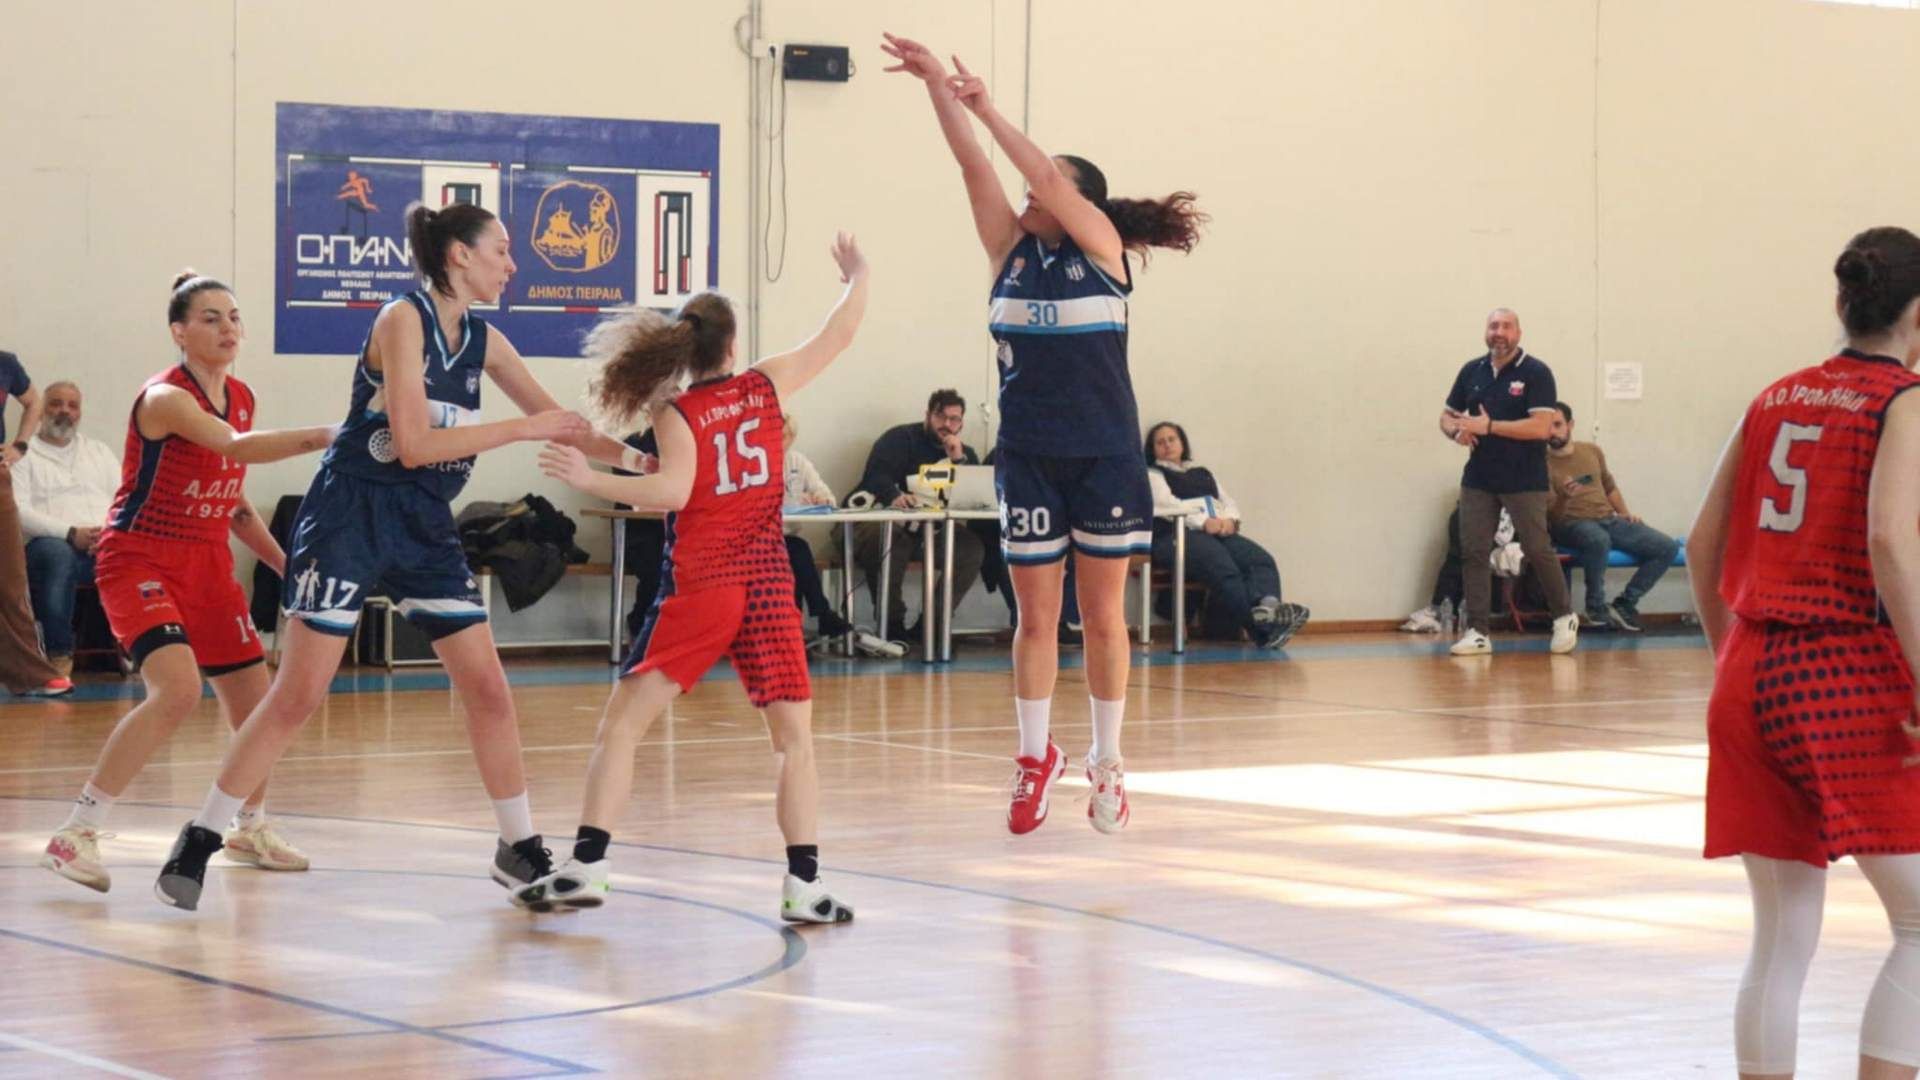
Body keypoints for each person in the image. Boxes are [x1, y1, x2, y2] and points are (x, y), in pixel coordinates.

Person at [152, 204, 612, 912]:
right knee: (298, 695)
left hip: (422, 524)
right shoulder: (402, 319)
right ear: (459, 254)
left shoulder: (485, 339)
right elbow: (414, 445)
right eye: (501, 249)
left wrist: (654, 462)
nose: (512, 264)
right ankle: (203, 835)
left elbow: (569, 428)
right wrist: (522, 430)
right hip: (350, 515)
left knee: (489, 689)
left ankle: (517, 846)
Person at [884, 31, 1204, 835]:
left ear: (1077, 202)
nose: (1029, 190)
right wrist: (937, 86)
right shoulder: (1009, 251)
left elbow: (1042, 177)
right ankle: (1035, 758)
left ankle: (1107, 762)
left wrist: (990, 108)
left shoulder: (1103, 252)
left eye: (1046, 183)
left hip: (1104, 457)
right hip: (1027, 457)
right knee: (1034, 618)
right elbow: (974, 166)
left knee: (1102, 618)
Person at [513, 231, 869, 921]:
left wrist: (590, 477)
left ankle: (589, 864)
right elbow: (839, 333)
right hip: (768, 582)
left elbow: (674, 493)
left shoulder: (677, 412)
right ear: (733, 347)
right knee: (793, 742)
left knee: (623, 726)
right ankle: (805, 885)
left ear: (684, 348)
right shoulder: (765, 384)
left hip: (705, 582)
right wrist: (857, 275)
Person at [1689, 226, 1920, 1080]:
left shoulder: (1775, 396)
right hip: (1844, 676)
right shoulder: (1903, 402)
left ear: (1841, 301)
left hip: (1751, 669)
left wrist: (1729, 657)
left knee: (1782, 936)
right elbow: (1891, 541)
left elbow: (1700, 543)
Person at [40, 273, 337, 895]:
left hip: (207, 564)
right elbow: (237, 447)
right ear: (179, 331)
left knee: (256, 701)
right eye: (210, 318)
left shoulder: (243, 396)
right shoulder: (164, 398)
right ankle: (76, 832)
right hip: (139, 558)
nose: (227, 328)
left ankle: (249, 828)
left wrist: (285, 567)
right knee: (176, 690)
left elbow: (234, 504)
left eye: (234, 316)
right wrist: (328, 435)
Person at [1438, 308, 1578, 657]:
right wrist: (1456, 431)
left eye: (1506, 326)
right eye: (1493, 326)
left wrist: (1489, 426)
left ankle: (1564, 616)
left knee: (1536, 547)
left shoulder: (1536, 372)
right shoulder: (1472, 371)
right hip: (1479, 477)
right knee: (1473, 550)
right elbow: (1447, 416)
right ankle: (1478, 631)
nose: (1499, 332)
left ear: (1518, 333)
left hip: (1524, 478)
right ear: (1486, 332)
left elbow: (1540, 428)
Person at [1145, 421, 1308, 648]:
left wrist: (1230, 521)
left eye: (1172, 439)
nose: (1167, 445)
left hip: (1217, 533)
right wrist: (1204, 522)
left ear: (1182, 443)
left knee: (1261, 561)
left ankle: (1268, 608)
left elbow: (1227, 501)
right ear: (1153, 449)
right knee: (1224, 568)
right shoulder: (1153, 474)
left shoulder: (1203, 473)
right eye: (1160, 442)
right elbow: (1167, 505)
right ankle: (1263, 632)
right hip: (1176, 536)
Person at [840, 389, 983, 640]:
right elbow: (876, 475)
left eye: (954, 419)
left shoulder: (964, 454)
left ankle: (932, 624)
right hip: (877, 522)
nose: (947, 424)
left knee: (971, 549)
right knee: (891, 539)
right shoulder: (899, 439)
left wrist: (958, 460)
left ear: (961, 424)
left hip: (928, 531)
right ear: (928, 415)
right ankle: (892, 624)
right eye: (940, 416)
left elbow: (973, 498)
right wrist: (894, 495)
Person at [15, 381, 120, 678]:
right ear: (41, 410)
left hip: (101, 546)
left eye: (72, 406)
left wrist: (106, 535)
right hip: (45, 549)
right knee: (58, 555)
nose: (65, 411)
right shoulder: (22, 454)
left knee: (142, 552)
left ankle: (137, 650)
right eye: (56, 403)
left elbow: (124, 500)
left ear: (80, 413)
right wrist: (71, 533)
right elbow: (18, 512)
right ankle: (58, 655)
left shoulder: (98, 451)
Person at [1545, 401, 1679, 633]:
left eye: (1557, 425)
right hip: (1568, 523)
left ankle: (1625, 602)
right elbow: (1550, 513)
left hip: (1607, 519)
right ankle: (1595, 607)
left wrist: (1625, 514)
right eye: (1547, 426)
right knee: (1598, 539)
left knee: (1667, 547)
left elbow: (1609, 488)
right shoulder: (1539, 462)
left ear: (1570, 425)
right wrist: (1565, 496)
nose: (1552, 432)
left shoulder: (1591, 451)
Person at [0, 348, 66, 696]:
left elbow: (33, 402)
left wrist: (20, 445)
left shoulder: (5, 363)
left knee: (12, 578)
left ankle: (32, 673)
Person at [779, 413, 854, 641]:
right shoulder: (750, 463)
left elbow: (827, 496)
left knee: (794, 554)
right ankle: (822, 614)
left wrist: (820, 498)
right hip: (755, 540)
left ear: (792, 438)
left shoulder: (796, 462)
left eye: (783, 436)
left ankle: (796, 636)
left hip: (784, 539)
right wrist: (792, 500)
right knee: (797, 551)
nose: (777, 442)